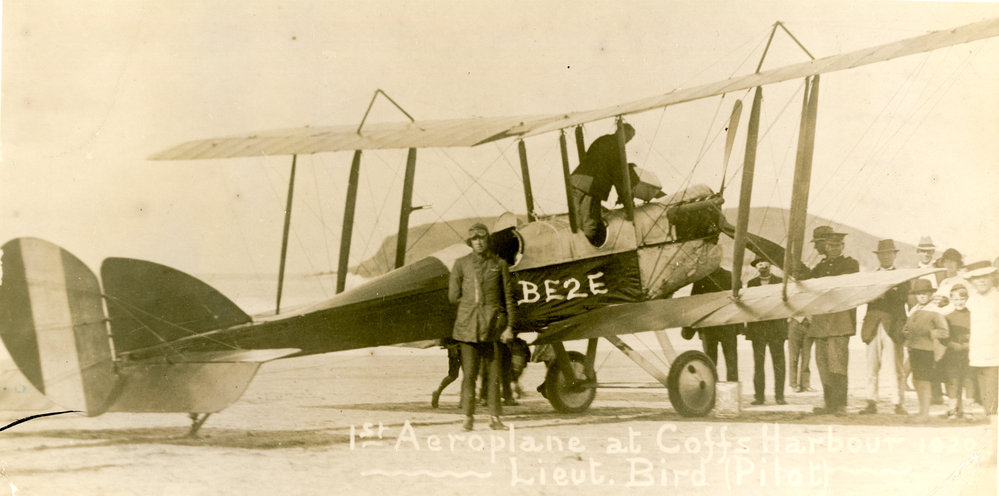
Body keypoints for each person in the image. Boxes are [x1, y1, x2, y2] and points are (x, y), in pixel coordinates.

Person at [448, 223, 516, 431]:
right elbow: (452, 297)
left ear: (487, 240)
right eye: (474, 239)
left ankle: (495, 419)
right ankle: (467, 419)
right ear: (470, 243)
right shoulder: (460, 265)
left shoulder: (500, 264)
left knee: (494, 376)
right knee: (469, 375)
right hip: (468, 330)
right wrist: (472, 307)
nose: (478, 242)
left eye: (482, 238)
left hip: (493, 330)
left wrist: (509, 326)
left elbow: (509, 298)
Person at [808, 228, 860, 415]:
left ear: (842, 246)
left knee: (838, 364)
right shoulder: (821, 267)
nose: (834, 249)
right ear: (826, 246)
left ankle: (840, 404)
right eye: (830, 245)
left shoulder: (850, 264)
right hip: (821, 321)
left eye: (837, 245)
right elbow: (808, 282)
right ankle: (829, 403)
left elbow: (842, 283)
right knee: (823, 364)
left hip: (839, 321)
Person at [859, 239, 909, 415]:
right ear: (878, 257)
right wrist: (881, 294)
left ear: (894, 255)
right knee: (871, 366)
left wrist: (880, 294)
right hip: (873, 325)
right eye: (882, 254)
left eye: (889, 253)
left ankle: (898, 403)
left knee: (896, 367)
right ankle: (871, 401)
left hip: (893, 325)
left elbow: (902, 297)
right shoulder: (870, 277)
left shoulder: (903, 277)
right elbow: (864, 296)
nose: (885, 257)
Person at [569, 123, 639, 245]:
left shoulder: (604, 139)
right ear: (621, 132)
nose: (627, 141)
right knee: (590, 223)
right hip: (589, 187)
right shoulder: (617, 149)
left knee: (577, 222)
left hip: (575, 181)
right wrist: (625, 197)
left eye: (630, 139)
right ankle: (588, 253)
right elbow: (618, 175)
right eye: (628, 137)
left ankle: (580, 247)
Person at [787, 226, 831, 392]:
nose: (814, 247)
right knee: (794, 356)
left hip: (812, 320)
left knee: (808, 355)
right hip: (798, 320)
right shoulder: (818, 268)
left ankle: (805, 384)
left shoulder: (817, 272)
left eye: (817, 243)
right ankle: (793, 384)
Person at [902, 278, 950, 422]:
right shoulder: (914, 309)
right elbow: (908, 328)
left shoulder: (935, 310)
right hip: (914, 349)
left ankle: (924, 414)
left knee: (923, 382)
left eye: (925, 293)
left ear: (930, 294)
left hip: (927, 350)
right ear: (915, 295)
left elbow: (944, 332)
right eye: (919, 293)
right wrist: (905, 332)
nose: (922, 296)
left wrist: (929, 333)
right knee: (917, 381)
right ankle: (922, 411)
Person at [744, 258, 787, 405]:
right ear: (757, 268)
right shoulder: (751, 284)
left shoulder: (780, 282)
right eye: (760, 265)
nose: (763, 268)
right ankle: (759, 397)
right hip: (758, 330)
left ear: (771, 266)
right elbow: (748, 305)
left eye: (766, 265)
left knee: (779, 363)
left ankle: (780, 396)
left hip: (776, 329)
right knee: (758, 363)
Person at [684, 267, 739, 382]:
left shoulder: (729, 276)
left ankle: (715, 389)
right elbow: (695, 302)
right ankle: (719, 388)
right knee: (721, 361)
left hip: (723, 326)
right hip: (716, 327)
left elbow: (739, 302)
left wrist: (688, 329)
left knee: (719, 360)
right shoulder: (703, 278)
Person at [966, 266, 999, 417]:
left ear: (992, 277)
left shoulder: (996, 297)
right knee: (982, 385)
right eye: (977, 277)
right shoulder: (972, 299)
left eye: (985, 276)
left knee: (992, 387)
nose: (982, 280)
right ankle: (989, 418)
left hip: (994, 349)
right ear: (972, 281)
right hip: (977, 349)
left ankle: (992, 421)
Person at [941, 284, 971, 419]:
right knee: (953, 381)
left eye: (962, 299)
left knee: (969, 381)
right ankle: (952, 410)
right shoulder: (947, 317)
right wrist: (952, 344)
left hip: (969, 354)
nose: (959, 302)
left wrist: (968, 345)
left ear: (967, 299)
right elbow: (944, 337)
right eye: (956, 299)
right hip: (952, 355)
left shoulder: (973, 316)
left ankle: (968, 411)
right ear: (951, 300)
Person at [431, 338, 461, 408]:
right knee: (453, 375)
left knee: (468, 375)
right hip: (454, 347)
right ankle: (437, 392)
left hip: (465, 346)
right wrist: (450, 346)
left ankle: (464, 401)